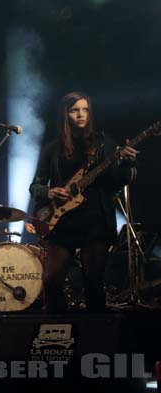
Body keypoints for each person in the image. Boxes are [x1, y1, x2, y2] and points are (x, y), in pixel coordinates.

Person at [30, 92, 137, 313]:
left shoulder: (103, 143)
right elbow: (35, 186)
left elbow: (118, 180)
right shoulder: (53, 148)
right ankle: (60, 331)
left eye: (85, 109)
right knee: (50, 281)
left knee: (93, 282)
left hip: (95, 220)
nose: (81, 114)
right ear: (65, 114)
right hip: (63, 222)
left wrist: (126, 164)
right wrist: (49, 192)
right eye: (75, 110)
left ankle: (95, 337)